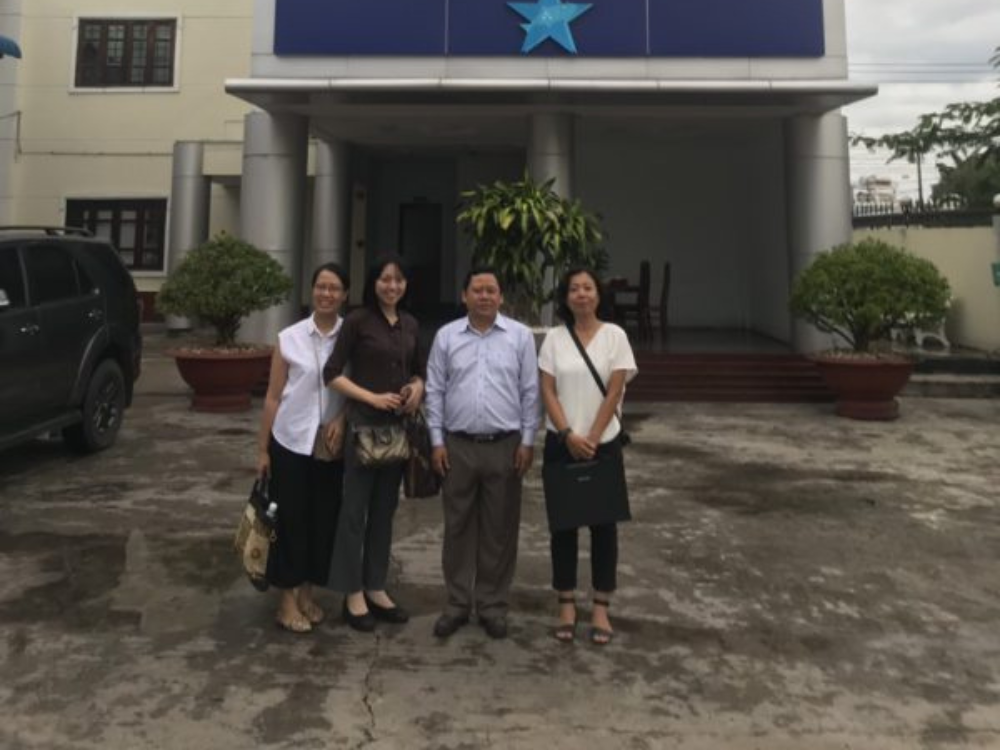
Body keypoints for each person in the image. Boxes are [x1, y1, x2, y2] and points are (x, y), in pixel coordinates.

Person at [425, 267, 540, 640]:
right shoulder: (446, 336)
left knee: (499, 529)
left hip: (505, 445)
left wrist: (527, 441)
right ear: (464, 296)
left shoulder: (520, 337)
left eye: (491, 290)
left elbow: (530, 391)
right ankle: (457, 603)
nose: (485, 296)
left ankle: (492, 605)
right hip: (456, 445)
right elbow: (434, 390)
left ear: (501, 297)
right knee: (457, 527)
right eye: (478, 290)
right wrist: (436, 441)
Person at [323, 255, 425, 632]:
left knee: (384, 511)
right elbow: (332, 373)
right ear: (374, 283)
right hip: (363, 429)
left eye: (398, 280)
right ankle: (352, 593)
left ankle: (376, 586)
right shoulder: (358, 321)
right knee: (354, 513)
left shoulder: (411, 324)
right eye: (385, 279)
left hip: (397, 432)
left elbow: (420, 371)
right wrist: (371, 398)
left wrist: (417, 388)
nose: (392, 286)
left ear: (406, 285)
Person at [538, 267, 637, 645]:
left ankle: (600, 607)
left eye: (588, 288)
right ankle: (566, 604)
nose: (581, 294)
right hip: (561, 442)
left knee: (603, 527)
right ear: (565, 297)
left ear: (598, 294)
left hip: (603, 443)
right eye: (574, 289)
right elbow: (547, 390)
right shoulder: (554, 339)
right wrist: (568, 434)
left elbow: (615, 392)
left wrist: (592, 437)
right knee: (563, 527)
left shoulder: (615, 336)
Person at [256, 262, 350, 633]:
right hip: (290, 441)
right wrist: (263, 449)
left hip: (329, 447)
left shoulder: (351, 337)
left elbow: (354, 390)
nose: (326, 294)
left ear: (344, 295)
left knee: (322, 520)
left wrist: (342, 419)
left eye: (334, 288)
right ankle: (286, 600)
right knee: (289, 521)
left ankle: (307, 593)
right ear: (312, 291)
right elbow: (273, 396)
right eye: (321, 286)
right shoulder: (289, 337)